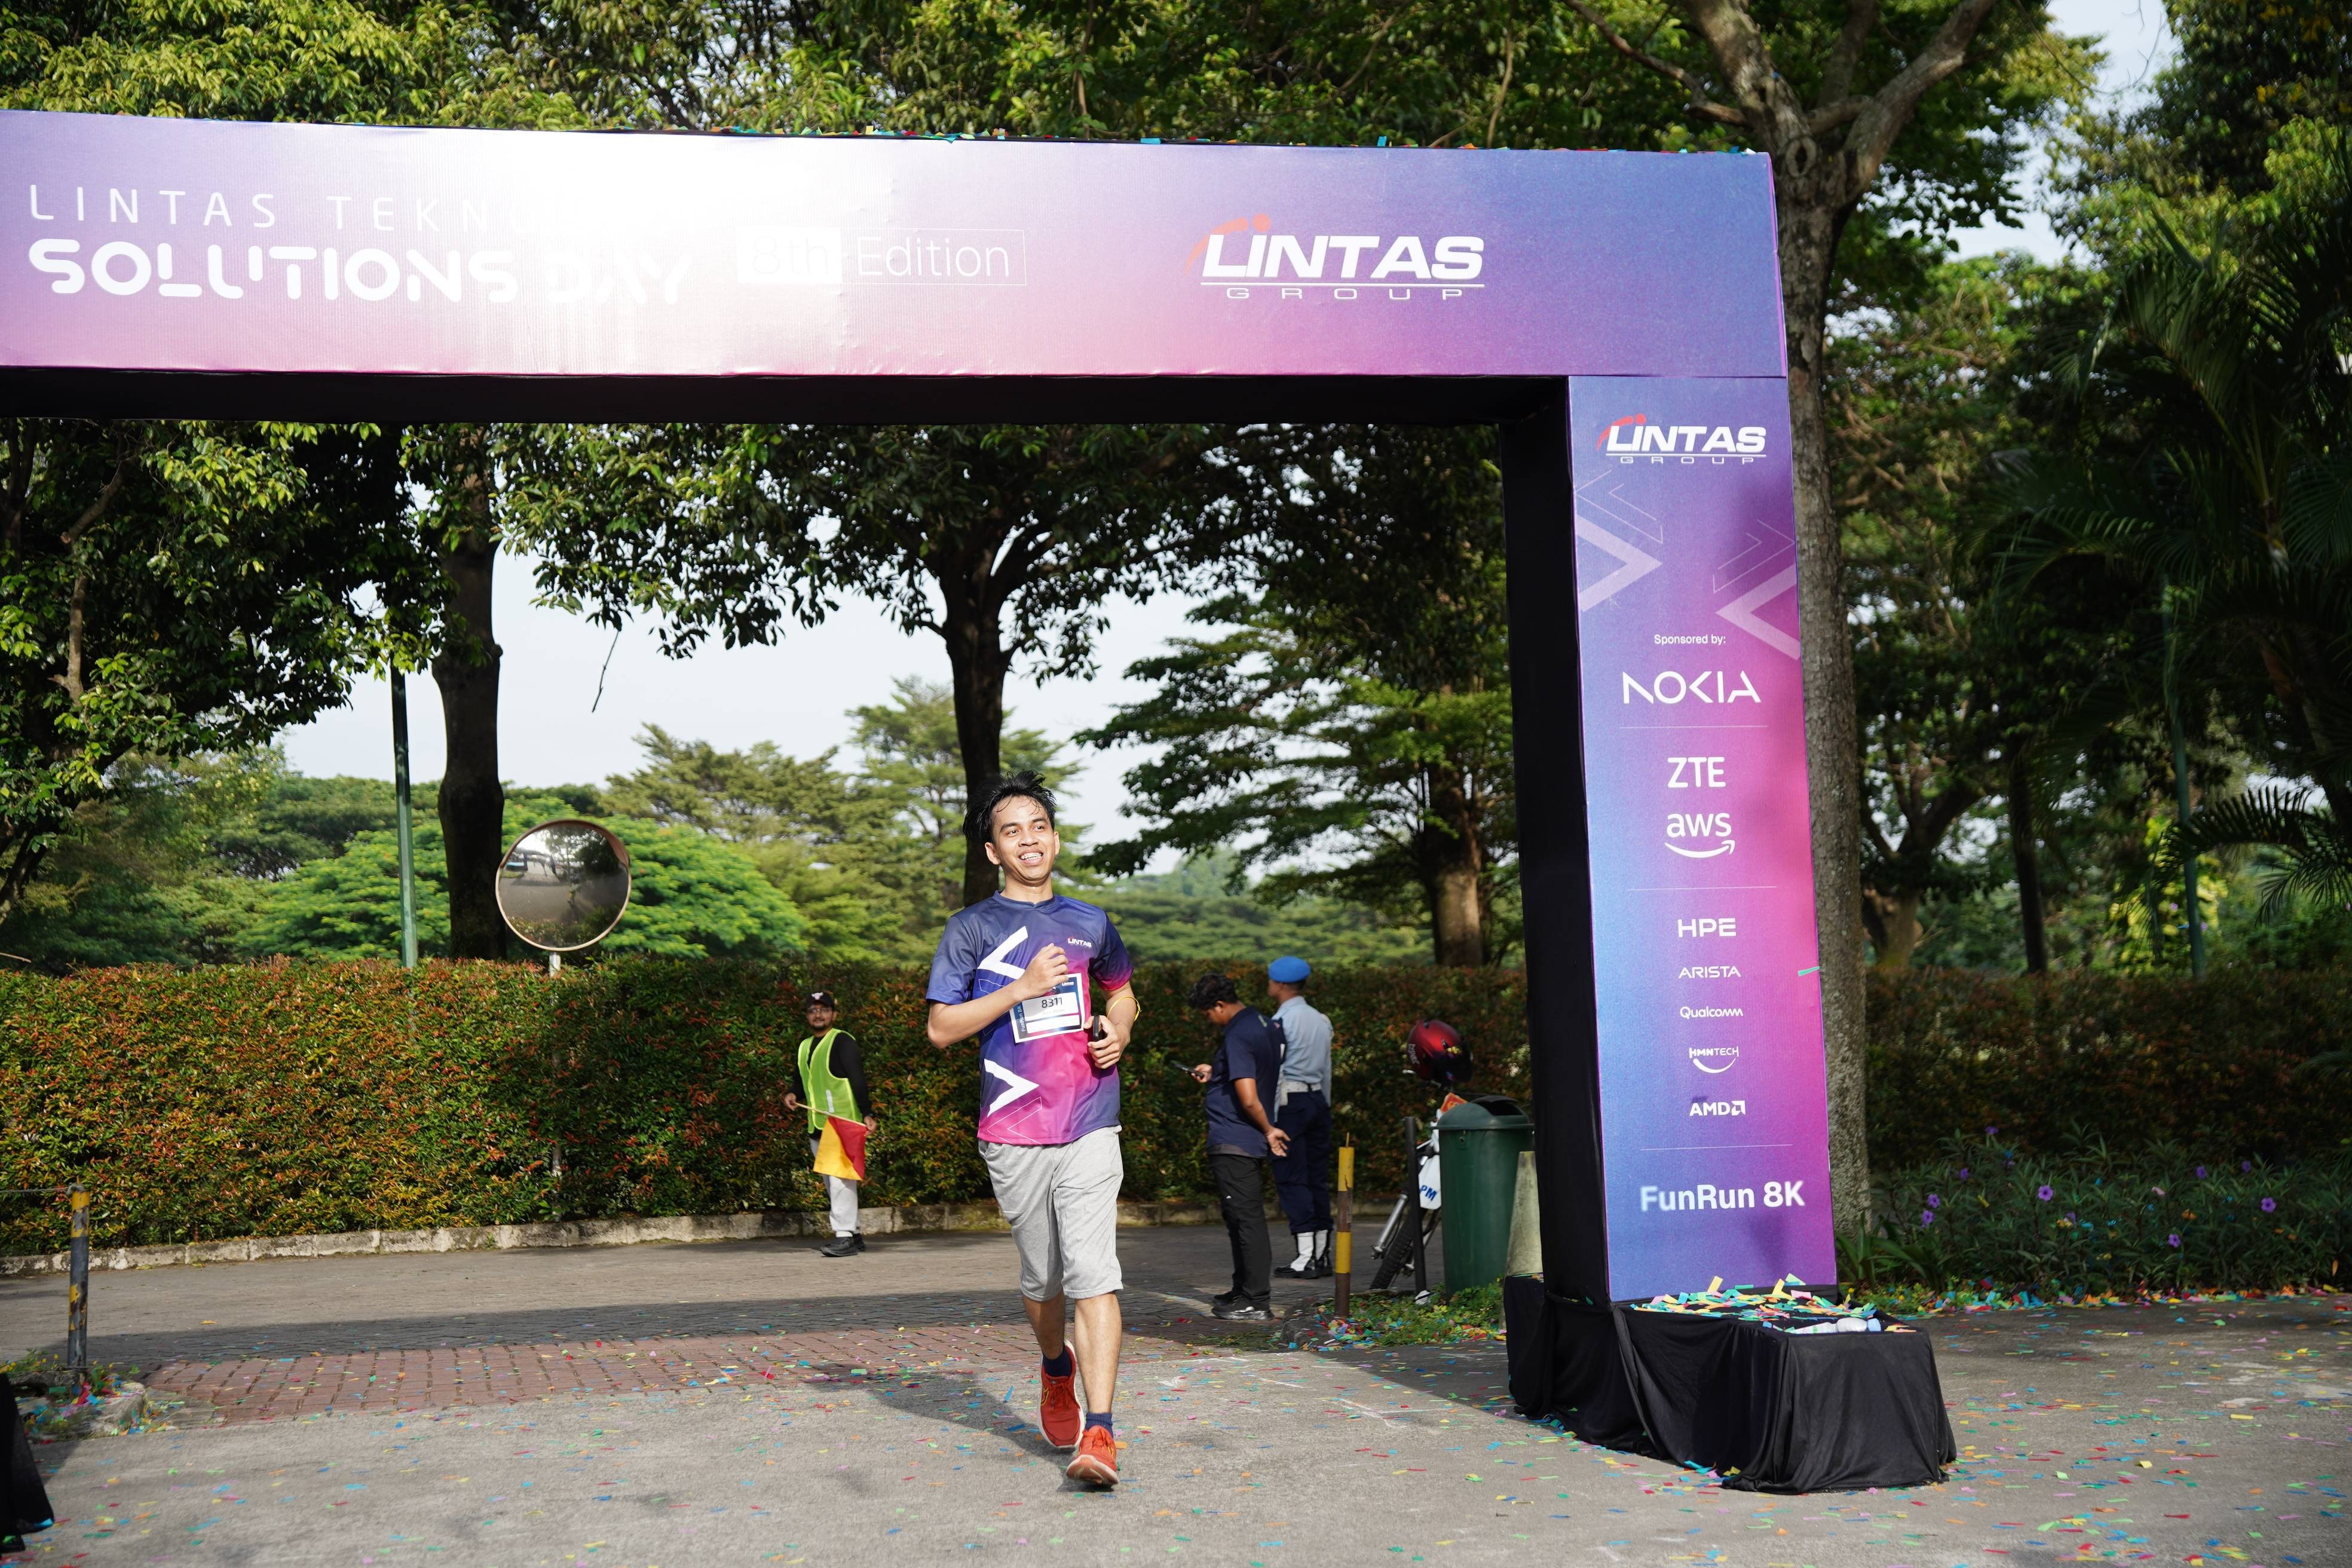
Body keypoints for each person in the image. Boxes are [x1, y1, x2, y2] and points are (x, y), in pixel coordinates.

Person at [925, 773, 1138, 1489]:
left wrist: (1120, 1031)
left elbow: (1122, 990)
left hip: (1089, 1118)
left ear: (1055, 837)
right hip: (1014, 1126)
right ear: (994, 850)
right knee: (1044, 1280)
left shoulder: (1091, 921)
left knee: (1093, 1273)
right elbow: (940, 1028)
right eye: (1012, 830)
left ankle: (1100, 1428)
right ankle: (1055, 1365)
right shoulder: (971, 928)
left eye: (1038, 825)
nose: (1029, 839)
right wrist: (1019, 988)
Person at [1186, 972, 1289, 1322]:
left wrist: (1269, 1130)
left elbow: (1247, 1095)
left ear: (1219, 1005)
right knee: (1239, 1218)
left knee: (1246, 1221)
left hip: (1236, 1138)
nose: (1209, 1021)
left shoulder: (1238, 1033)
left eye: (1207, 1014)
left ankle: (1256, 1301)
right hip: (1242, 1138)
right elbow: (1250, 1072)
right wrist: (1215, 1072)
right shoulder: (1263, 1022)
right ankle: (1242, 1289)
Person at [783, 990, 876, 1258]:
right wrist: (793, 1094)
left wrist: (867, 1113)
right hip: (817, 1124)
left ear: (834, 1015)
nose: (818, 1015)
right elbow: (801, 1080)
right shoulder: (804, 1046)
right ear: (807, 1016)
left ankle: (844, 1236)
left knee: (840, 1180)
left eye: (824, 1009)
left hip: (842, 1123)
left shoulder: (843, 1041)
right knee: (833, 1181)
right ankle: (854, 1234)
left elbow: (858, 1079)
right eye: (813, 1010)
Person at [1265, 956, 1334, 1279]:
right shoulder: (1321, 1019)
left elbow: (1275, 1071)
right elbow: (1327, 1069)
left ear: (1280, 985)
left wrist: (1271, 1119)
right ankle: (1321, 1255)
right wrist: (1325, 1104)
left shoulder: (1280, 1021)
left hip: (1290, 1102)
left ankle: (1305, 1257)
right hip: (1317, 1100)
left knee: (1292, 1176)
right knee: (1317, 1176)